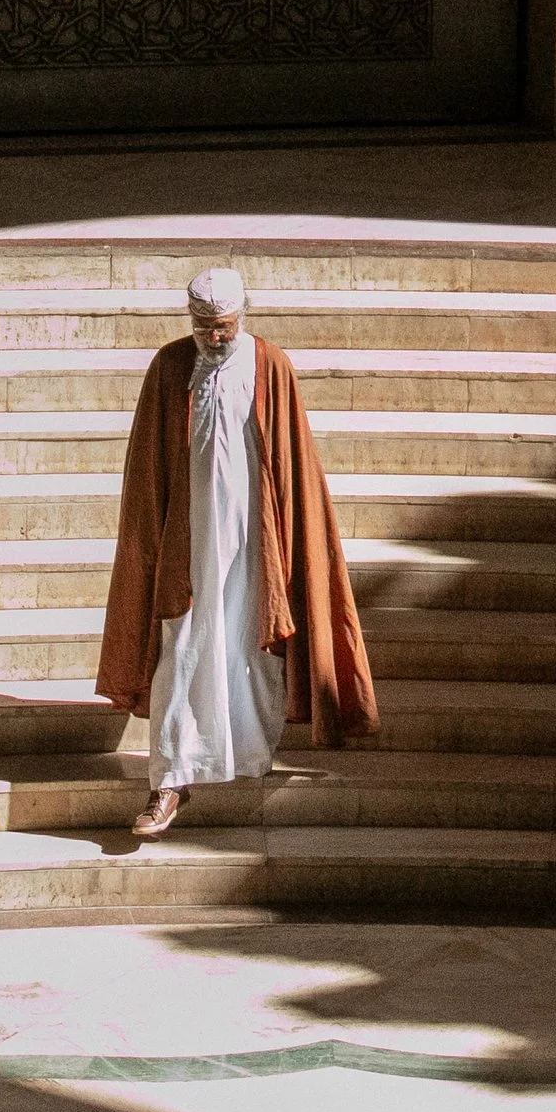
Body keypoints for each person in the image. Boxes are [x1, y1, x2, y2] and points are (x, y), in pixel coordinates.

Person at [97, 267, 379, 836]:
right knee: (181, 655)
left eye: (223, 327)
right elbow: (148, 470)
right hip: (189, 546)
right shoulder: (171, 366)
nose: (215, 338)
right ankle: (169, 782)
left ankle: (246, 758)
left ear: (241, 319)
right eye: (204, 328)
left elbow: (293, 465)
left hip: (255, 543)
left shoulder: (270, 365)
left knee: (252, 653)